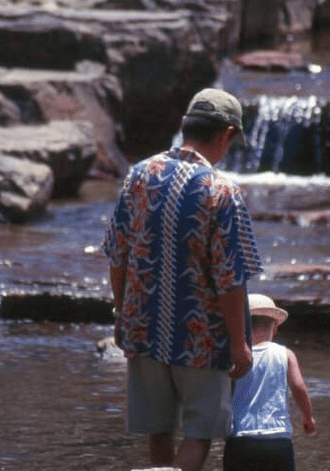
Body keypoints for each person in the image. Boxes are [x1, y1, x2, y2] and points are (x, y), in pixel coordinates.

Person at [103, 87, 263, 471]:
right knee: (200, 432)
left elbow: (117, 255)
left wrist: (122, 315)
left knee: (159, 429)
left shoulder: (139, 175)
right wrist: (239, 344)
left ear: (183, 125)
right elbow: (230, 278)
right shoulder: (222, 191)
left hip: (144, 327)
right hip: (201, 337)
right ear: (226, 134)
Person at [224, 293, 316, 471]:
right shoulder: (285, 354)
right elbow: (299, 387)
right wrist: (308, 416)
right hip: (278, 439)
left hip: (240, 438)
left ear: (240, 327)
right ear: (274, 328)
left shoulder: (233, 357)